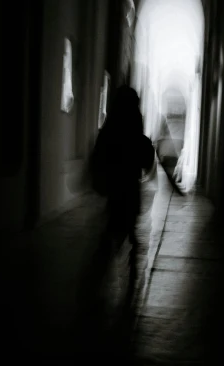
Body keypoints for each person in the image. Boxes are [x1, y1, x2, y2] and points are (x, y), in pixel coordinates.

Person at [82, 86, 155, 331]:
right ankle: (130, 276)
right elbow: (144, 159)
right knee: (127, 230)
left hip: (116, 188)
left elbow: (100, 152)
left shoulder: (112, 126)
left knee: (114, 229)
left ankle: (98, 281)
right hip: (129, 188)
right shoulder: (136, 123)